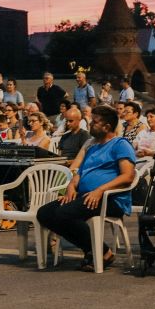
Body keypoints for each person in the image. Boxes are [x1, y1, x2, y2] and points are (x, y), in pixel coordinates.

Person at [36, 105, 136, 271]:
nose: (90, 124)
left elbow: (128, 176)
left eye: (94, 122)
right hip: (85, 196)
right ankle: (94, 250)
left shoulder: (120, 144)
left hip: (110, 199)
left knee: (63, 214)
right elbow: (80, 173)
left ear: (107, 127)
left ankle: (100, 252)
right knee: (45, 213)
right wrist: (71, 187)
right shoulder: (93, 147)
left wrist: (100, 190)